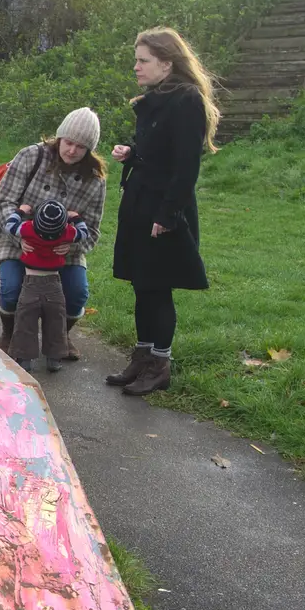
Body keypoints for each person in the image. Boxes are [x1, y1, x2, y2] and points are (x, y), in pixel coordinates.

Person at [107, 28, 214, 396]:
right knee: (142, 283)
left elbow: (185, 167)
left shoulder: (186, 101)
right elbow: (160, 153)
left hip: (163, 208)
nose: (136, 67)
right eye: (137, 59)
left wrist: (168, 216)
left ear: (166, 64)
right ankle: (141, 357)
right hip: (141, 201)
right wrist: (132, 154)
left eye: (143, 60)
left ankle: (159, 365)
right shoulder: (158, 98)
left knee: (157, 287)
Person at [0, 108, 108, 360]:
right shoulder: (31, 156)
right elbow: (3, 203)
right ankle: (10, 333)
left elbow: (94, 229)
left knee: (77, 293)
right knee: (11, 289)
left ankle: (61, 336)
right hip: (19, 237)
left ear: (90, 149)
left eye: (81, 146)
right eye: (68, 142)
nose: (72, 150)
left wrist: (72, 246)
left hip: (64, 246)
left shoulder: (95, 179)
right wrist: (20, 235)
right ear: (59, 138)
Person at [3, 200, 88, 373]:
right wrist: (76, 217)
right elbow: (84, 233)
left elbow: (9, 226)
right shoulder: (67, 233)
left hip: (30, 285)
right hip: (54, 286)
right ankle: (54, 359)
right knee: (56, 324)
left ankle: (25, 359)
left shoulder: (28, 229)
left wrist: (20, 211)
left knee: (26, 323)